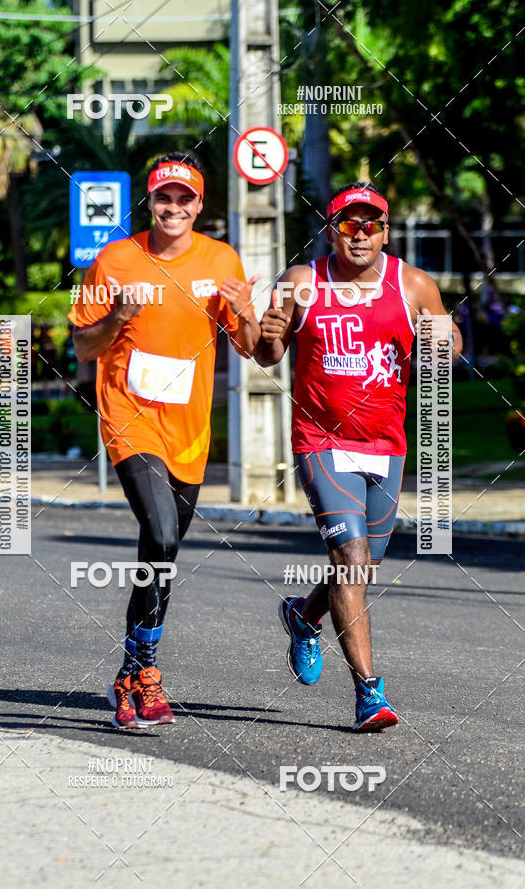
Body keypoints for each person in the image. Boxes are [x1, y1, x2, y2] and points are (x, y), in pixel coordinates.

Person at [256, 181, 462, 732]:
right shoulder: (301, 282)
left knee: (363, 566)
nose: (360, 233)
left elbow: (449, 345)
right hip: (321, 439)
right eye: (349, 224)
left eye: (371, 224)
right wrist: (271, 334)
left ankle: (304, 615)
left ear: (386, 231)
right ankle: (369, 692)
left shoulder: (413, 284)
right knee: (351, 558)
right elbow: (267, 353)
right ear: (332, 230)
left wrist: (443, 341)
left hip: (386, 443)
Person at [69, 153, 260, 729]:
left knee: (165, 551)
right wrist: (116, 319)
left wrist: (248, 312)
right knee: (161, 530)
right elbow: (83, 347)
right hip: (130, 416)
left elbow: (248, 345)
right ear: (148, 203)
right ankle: (147, 669)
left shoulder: (221, 259)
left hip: (189, 428)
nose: (173, 208)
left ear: (199, 205)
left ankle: (131, 672)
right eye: (163, 198)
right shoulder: (116, 260)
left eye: (185, 199)